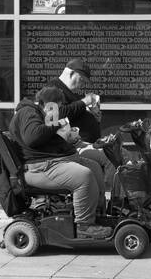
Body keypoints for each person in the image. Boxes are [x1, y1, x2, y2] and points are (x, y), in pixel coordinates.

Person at [11, 87, 109, 238]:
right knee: (84, 176)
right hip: (39, 168)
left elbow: (43, 137)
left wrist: (69, 138)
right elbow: (33, 137)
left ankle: (98, 214)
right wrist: (59, 124)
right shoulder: (28, 112)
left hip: (53, 162)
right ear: (47, 104)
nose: (58, 110)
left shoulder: (40, 114)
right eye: (57, 106)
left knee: (94, 166)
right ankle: (85, 226)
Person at [48, 58, 115, 188]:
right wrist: (84, 102)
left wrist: (93, 116)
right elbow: (57, 115)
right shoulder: (53, 89)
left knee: (118, 151)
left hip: (84, 143)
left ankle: (119, 197)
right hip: (72, 147)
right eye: (82, 80)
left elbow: (73, 112)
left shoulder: (68, 92)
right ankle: (111, 197)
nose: (82, 85)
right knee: (111, 157)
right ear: (71, 73)